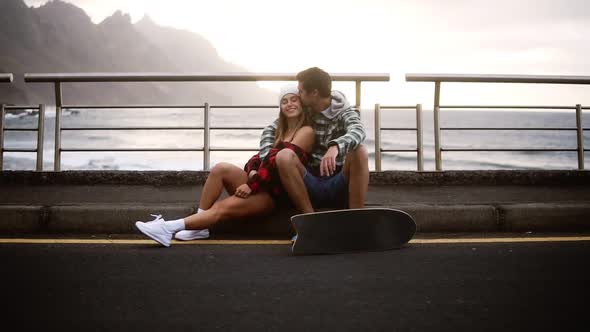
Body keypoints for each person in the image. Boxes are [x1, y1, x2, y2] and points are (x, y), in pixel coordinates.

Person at [134, 85, 314, 247]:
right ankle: (199, 228)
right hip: (261, 184)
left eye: (293, 99)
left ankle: (167, 227)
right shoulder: (279, 132)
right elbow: (258, 159)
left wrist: (251, 185)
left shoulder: (306, 131)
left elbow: (276, 163)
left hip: (273, 196)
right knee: (221, 168)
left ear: (301, 103)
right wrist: (251, 170)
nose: (289, 104)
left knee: (220, 208)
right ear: (280, 107)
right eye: (284, 101)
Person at [272, 67, 369, 216]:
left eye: (301, 91)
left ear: (314, 93)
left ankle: (356, 218)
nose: (298, 94)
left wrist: (335, 147)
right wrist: (265, 154)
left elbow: (358, 131)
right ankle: (308, 219)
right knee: (284, 156)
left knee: (360, 150)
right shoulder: (305, 110)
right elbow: (274, 127)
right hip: (309, 181)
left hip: (339, 181)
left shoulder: (344, 112)